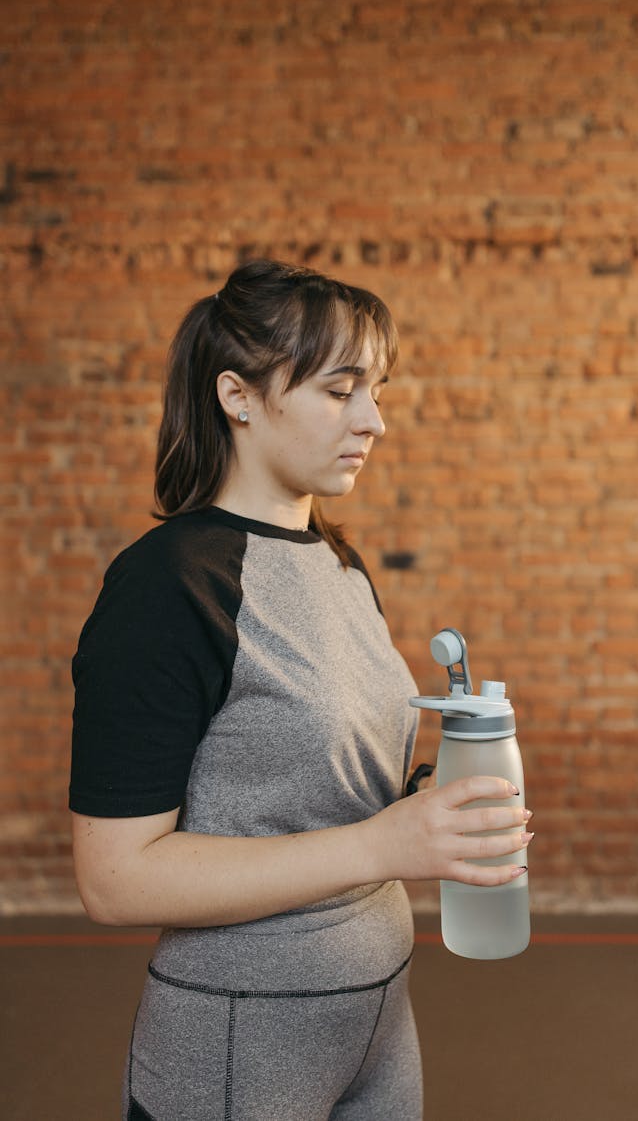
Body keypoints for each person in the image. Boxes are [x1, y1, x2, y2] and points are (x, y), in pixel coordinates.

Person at [69, 258, 534, 1121]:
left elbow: (307, 791)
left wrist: (430, 804)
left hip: (379, 1021)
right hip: (244, 1036)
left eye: (377, 389)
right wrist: (385, 844)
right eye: (340, 389)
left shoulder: (339, 563)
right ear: (239, 396)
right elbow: (114, 879)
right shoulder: (168, 585)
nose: (375, 420)